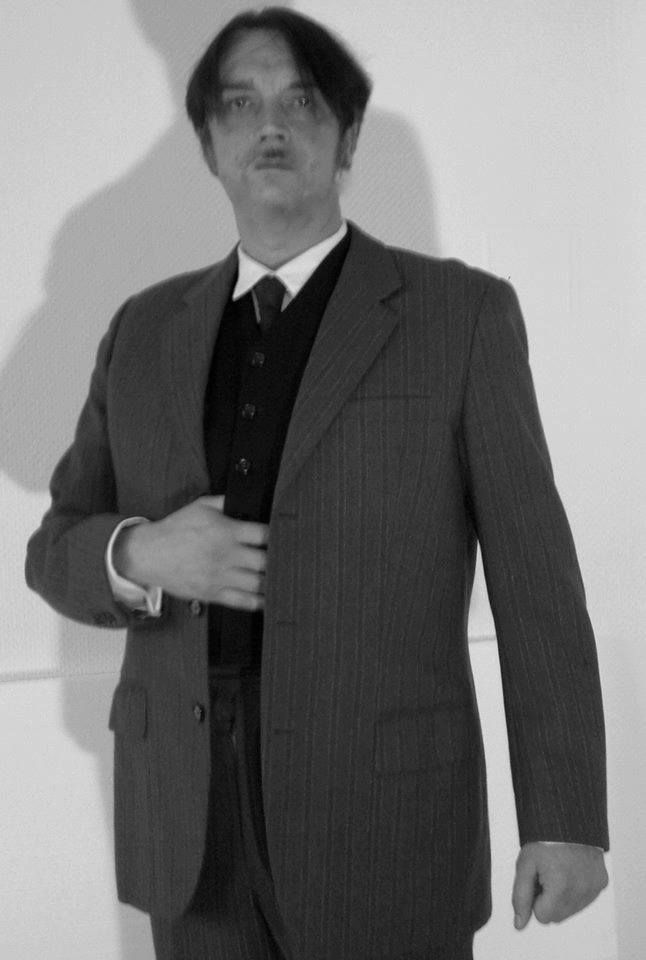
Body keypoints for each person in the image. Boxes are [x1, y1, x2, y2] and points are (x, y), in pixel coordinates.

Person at [25, 7, 609, 960]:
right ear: (208, 144)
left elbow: (537, 583)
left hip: (383, 819)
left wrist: (566, 817)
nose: (270, 125)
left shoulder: (458, 315)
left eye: (300, 102)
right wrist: (141, 553)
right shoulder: (142, 330)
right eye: (240, 104)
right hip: (190, 823)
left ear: (347, 136)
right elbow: (54, 547)